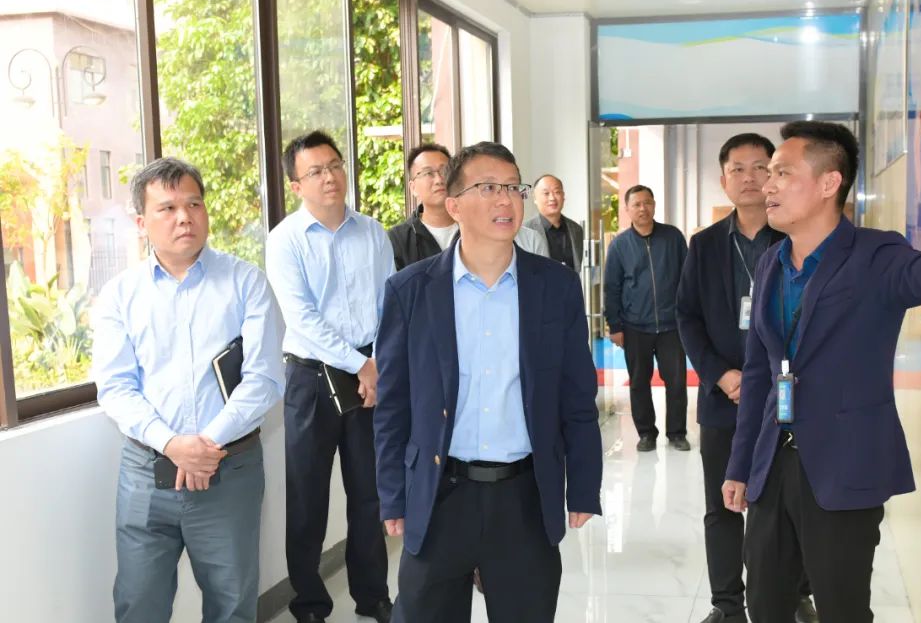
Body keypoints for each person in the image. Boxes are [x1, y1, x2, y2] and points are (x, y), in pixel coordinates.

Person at [721, 121, 921, 623]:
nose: (767, 184)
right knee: (764, 604)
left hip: (844, 465)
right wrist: (740, 465)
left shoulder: (873, 254)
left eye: (782, 172)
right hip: (772, 465)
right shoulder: (771, 263)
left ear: (829, 183)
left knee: (843, 608)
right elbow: (758, 373)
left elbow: (920, 273)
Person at [374, 142, 603, 622]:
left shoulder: (556, 286)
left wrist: (584, 485)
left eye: (514, 188)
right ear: (453, 205)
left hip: (524, 497)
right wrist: (393, 494)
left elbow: (577, 396)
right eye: (488, 187)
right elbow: (394, 405)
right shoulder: (410, 290)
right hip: (440, 494)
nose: (506, 199)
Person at [93, 157, 285, 623]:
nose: (184, 217)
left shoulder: (246, 282)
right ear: (142, 223)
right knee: (138, 604)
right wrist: (173, 444)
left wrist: (205, 446)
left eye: (194, 204)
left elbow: (264, 378)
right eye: (168, 208)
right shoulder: (120, 295)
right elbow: (116, 386)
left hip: (229, 469)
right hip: (146, 472)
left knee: (232, 605)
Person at [677, 134, 818, 623]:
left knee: (786, 504)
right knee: (722, 504)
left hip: (786, 399)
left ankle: (795, 594)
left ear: (776, 176)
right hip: (724, 398)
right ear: (724, 180)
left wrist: (767, 381)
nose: (750, 177)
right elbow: (687, 316)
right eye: (738, 169)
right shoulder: (704, 245)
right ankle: (726, 604)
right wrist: (720, 374)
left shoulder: (797, 239)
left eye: (762, 167)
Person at [266, 131, 394, 623]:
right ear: (296, 185)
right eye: (316, 171)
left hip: (369, 375)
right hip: (311, 380)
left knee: (369, 494)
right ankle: (310, 603)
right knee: (307, 497)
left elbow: (388, 303)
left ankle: (373, 595)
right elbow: (301, 318)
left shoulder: (373, 232)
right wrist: (360, 365)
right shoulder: (285, 240)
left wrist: (375, 363)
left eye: (335, 165)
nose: (330, 177)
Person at [604, 185, 690, 452]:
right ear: (627, 209)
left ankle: (677, 433)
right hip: (635, 326)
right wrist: (615, 326)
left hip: (671, 325)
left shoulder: (673, 238)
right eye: (637, 204)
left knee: (676, 382)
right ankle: (646, 433)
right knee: (639, 383)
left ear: (654, 205)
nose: (643, 209)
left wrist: (689, 317)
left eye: (647, 203)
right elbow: (612, 287)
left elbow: (688, 278)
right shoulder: (619, 245)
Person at [388, 143, 548, 270]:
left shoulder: (489, 230)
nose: (439, 179)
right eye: (428, 173)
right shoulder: (397, 240)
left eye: (444, 171)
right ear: (412, 187)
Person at [523, 174, 584, 270]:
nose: (552, 198)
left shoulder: (576, 229)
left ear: (563, 196)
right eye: (546, 193)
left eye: (557, 192)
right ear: (535, 198)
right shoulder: (525, 231)